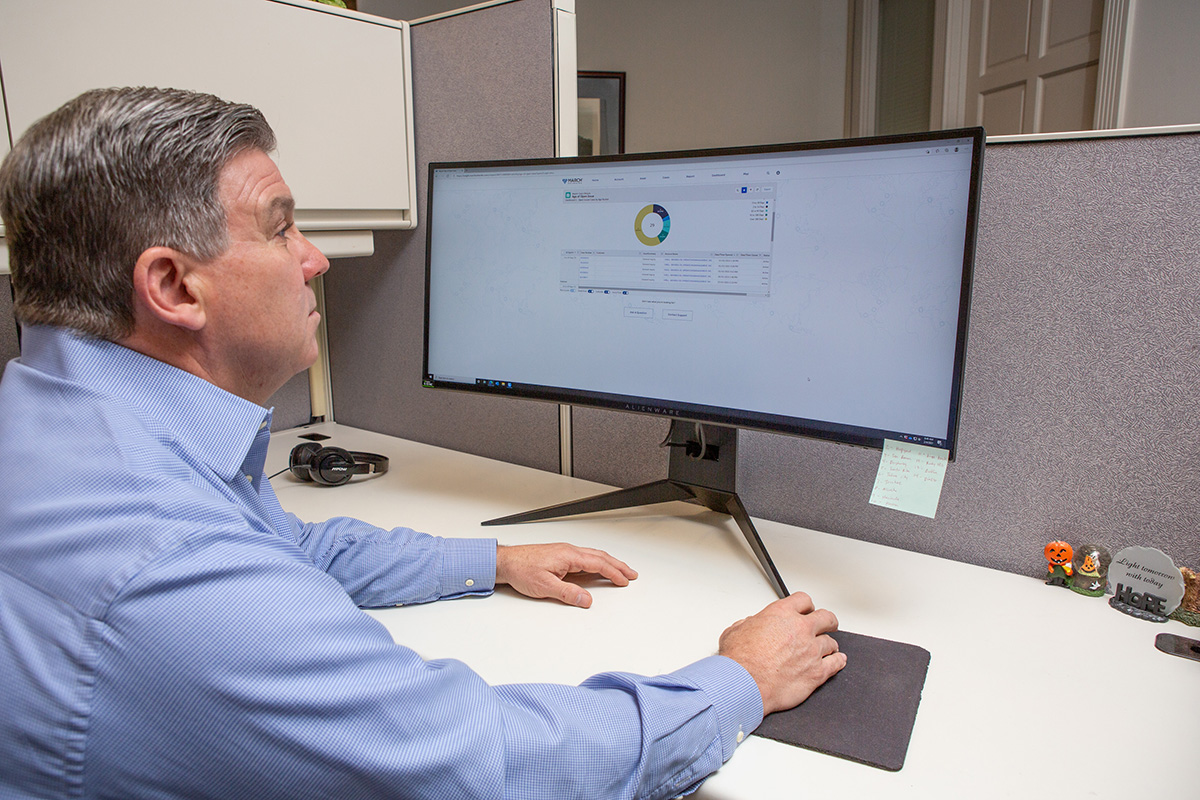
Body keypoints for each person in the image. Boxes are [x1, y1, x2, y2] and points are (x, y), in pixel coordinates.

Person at [0, 87, 845, 800]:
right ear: (174, 285)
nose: (317, 259)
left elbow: (286, 545)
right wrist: (738, 679)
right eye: (281, 227)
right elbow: (489, 764)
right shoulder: (170, 563)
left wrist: (493, 563)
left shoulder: (61, 416)